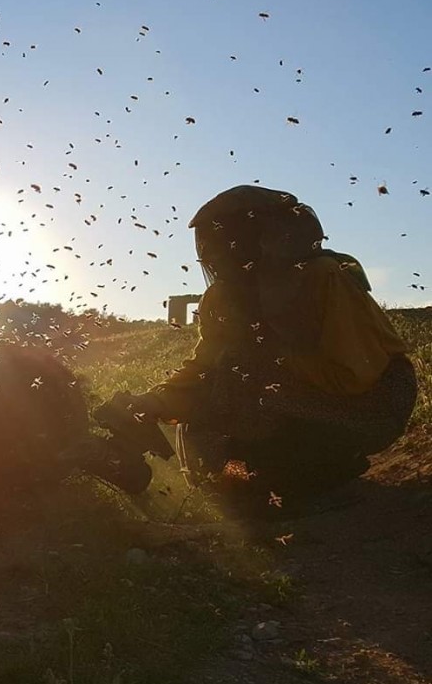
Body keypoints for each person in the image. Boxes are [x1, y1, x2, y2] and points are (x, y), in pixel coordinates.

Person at [119, 185, 416, 510]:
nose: (213, 252)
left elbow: (358, 373)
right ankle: (281, 474)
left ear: (260, 235)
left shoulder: (323, 277)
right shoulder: (221, 298)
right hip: (290, 395)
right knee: (224, 440)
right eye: (209, 241)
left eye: (222, 238)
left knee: (243, 378)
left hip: (374, 402)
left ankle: (332, 466)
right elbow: (205, 367)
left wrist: (270, 364)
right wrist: (151, 401)